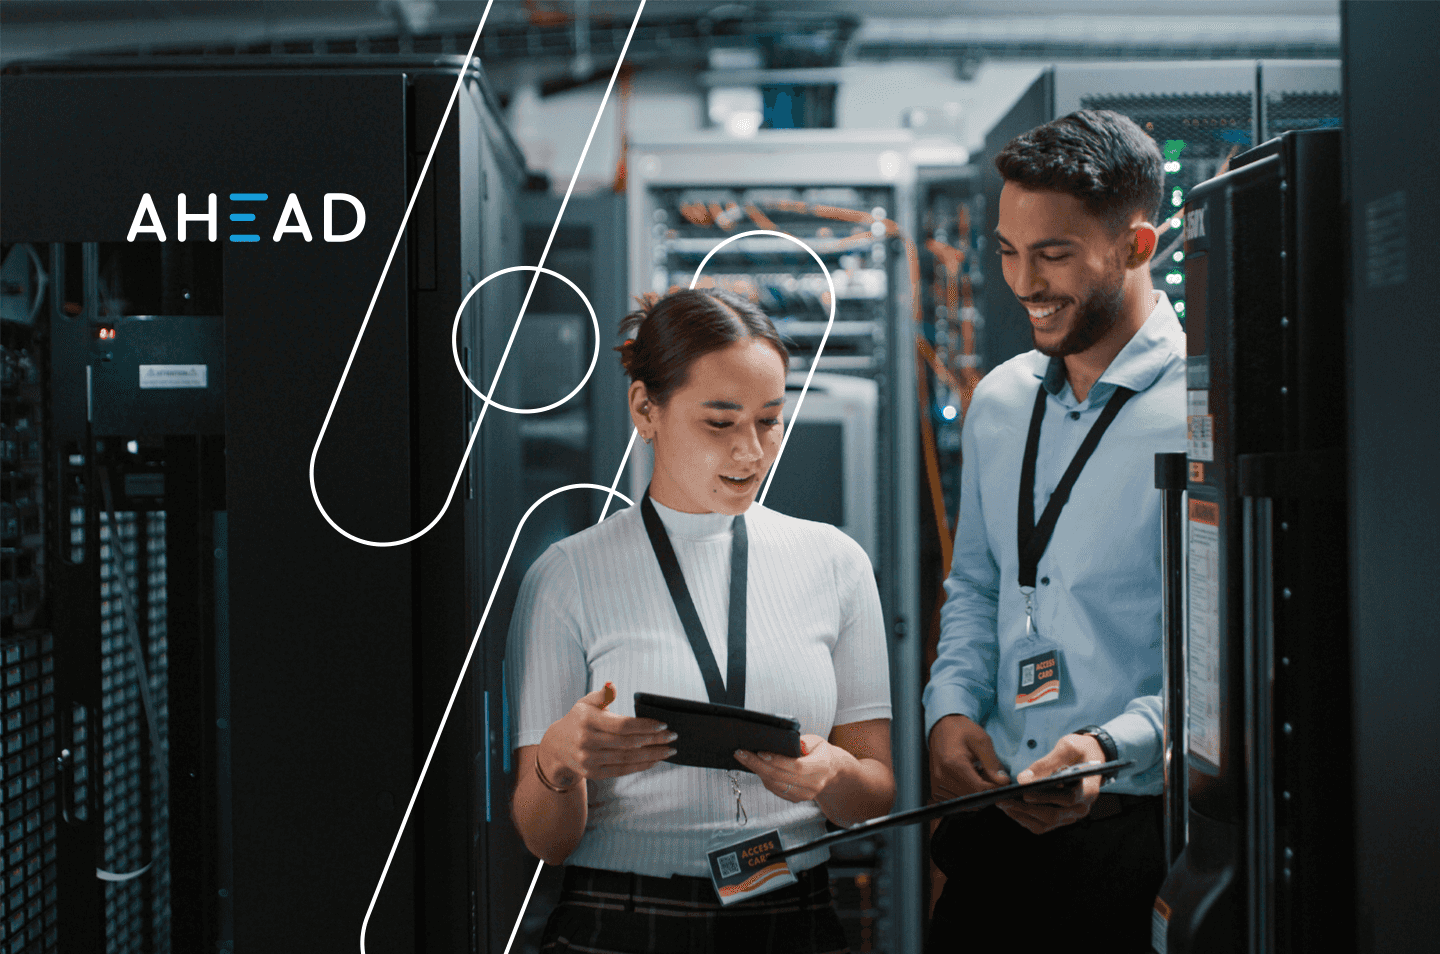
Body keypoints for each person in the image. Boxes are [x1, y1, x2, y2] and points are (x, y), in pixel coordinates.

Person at [506, 287, 896, 954]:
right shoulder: (567, 576)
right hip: (622, 916)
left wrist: (834, 776)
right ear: (644, 410)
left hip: (792, 914)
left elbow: (876, 790)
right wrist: (559, 762)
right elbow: (546, 840)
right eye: (720, 423)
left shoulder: (837, 564)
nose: (752, 453)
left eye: (769, 420)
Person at [923, 109, 1186, 951]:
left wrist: (1111, 748)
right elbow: (977, 585)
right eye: (1007, 250)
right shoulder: (1001, 401)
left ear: (1137, 246)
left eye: (1054, 254)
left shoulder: (1205, 410)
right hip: (994, 824)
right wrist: (950, 708)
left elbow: (1221, 662)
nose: (1023, 281)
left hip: (1130, 833)